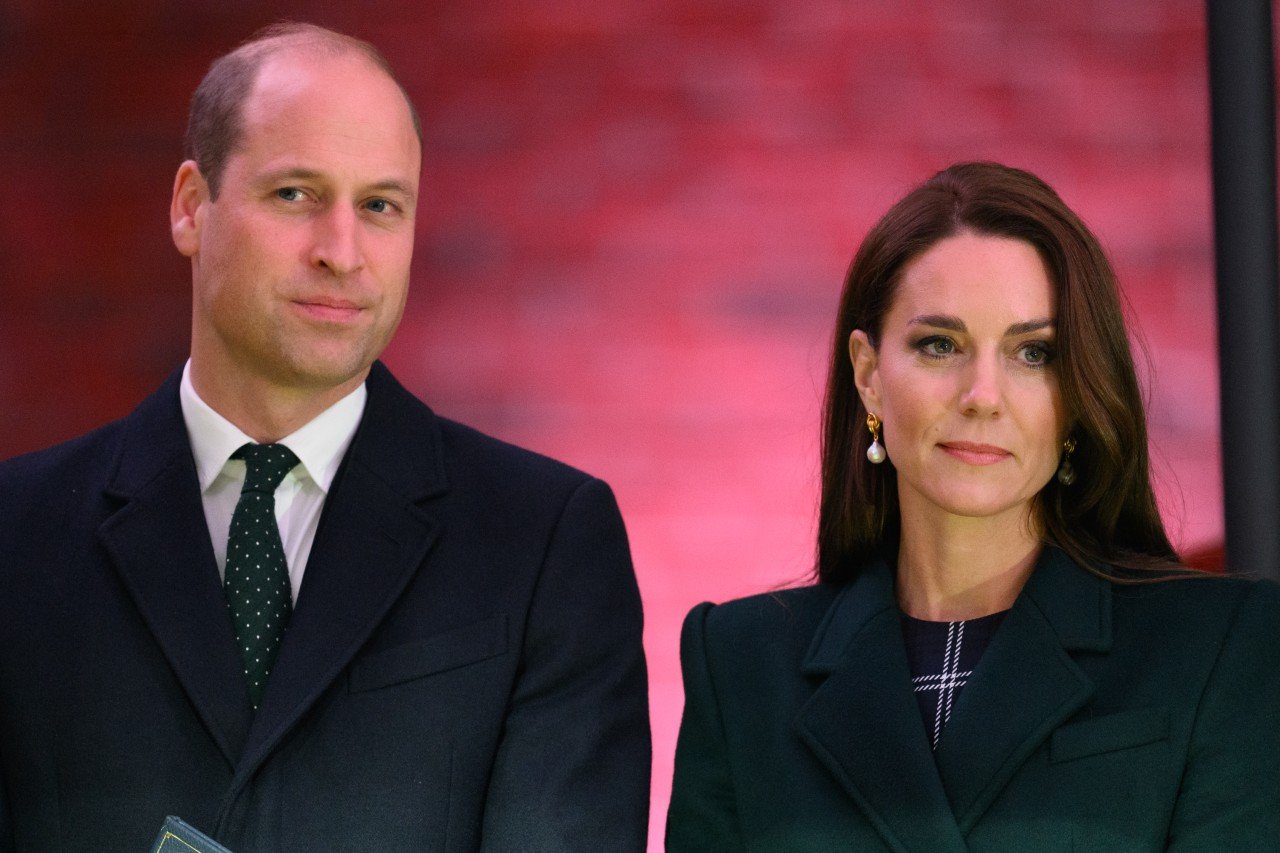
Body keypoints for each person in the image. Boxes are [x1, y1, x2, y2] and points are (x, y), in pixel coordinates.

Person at [0, 23, 649, 852]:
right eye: (296, 195)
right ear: (192, 207)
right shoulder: (16, 534)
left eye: (380, 205)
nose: (342, 252)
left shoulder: (546, 540)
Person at [666, 162, 1280, 851]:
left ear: (1080, 389)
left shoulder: (1220, 645)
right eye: (940, 345)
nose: (982, 393)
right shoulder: (742, 664)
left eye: (1033, 353)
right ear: (869, 375)